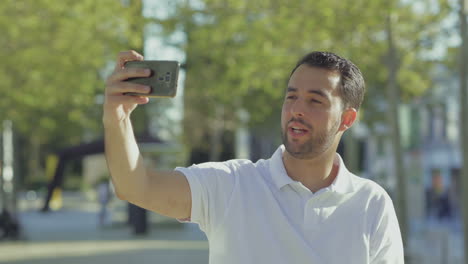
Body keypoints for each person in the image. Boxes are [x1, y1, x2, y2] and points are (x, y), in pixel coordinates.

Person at [103, 50, 404, 263]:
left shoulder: (371, 203)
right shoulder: (230, 185)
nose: (297, 109)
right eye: (291, 96)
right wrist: (116, 116)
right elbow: (135, 186)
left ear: (347, 119)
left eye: (314, 100)